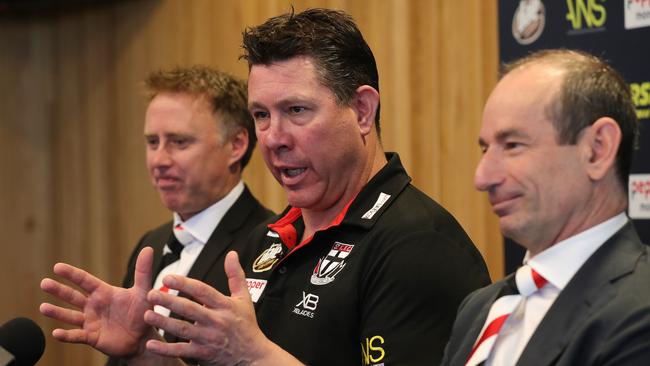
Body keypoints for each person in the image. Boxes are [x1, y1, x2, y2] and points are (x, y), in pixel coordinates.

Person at [138, 8, 490, 366]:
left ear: (363, 111)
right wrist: (141, 351)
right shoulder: (266, 239)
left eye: (296, 110)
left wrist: (255, 356)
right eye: (261, 115)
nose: (274, 138)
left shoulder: (419, 245)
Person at [40, 65, 273, 364]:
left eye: (179, 142)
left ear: (236, 145)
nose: (159, 160)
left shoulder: (269, 244)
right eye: (153, 142)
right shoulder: (153, 241)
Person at [441, 49, 650, 366]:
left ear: (597, 150)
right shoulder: (478, 309)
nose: (482, 178)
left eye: (512, 145)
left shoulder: (640, 307)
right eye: (485, 149)